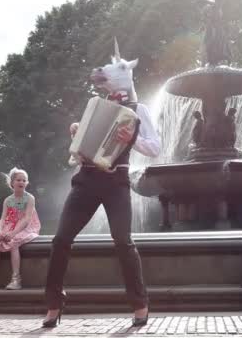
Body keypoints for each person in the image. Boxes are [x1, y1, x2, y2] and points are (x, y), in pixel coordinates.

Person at [43, 94, 161, 328]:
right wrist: (77, 136)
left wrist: (133, 138)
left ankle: (140, 303)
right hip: (85, 181)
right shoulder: (95, 107)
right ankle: (54, 304)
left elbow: (155, 148)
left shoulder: (138, 109)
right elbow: (76, 157)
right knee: (60, 240)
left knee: (122, 240)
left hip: (116, 183)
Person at [0, 167, 41, 291]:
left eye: (24, 180)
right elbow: (2, 218)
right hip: (10, 224)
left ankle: (16, 279)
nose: (21, 182)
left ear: (26, 183)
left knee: (14, 241)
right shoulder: (8, 200)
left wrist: (13, 233)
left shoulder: (30, 198)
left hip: (26, 226)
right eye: (18, 180)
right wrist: (0, 230)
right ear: (12, 183)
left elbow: (27, 219)